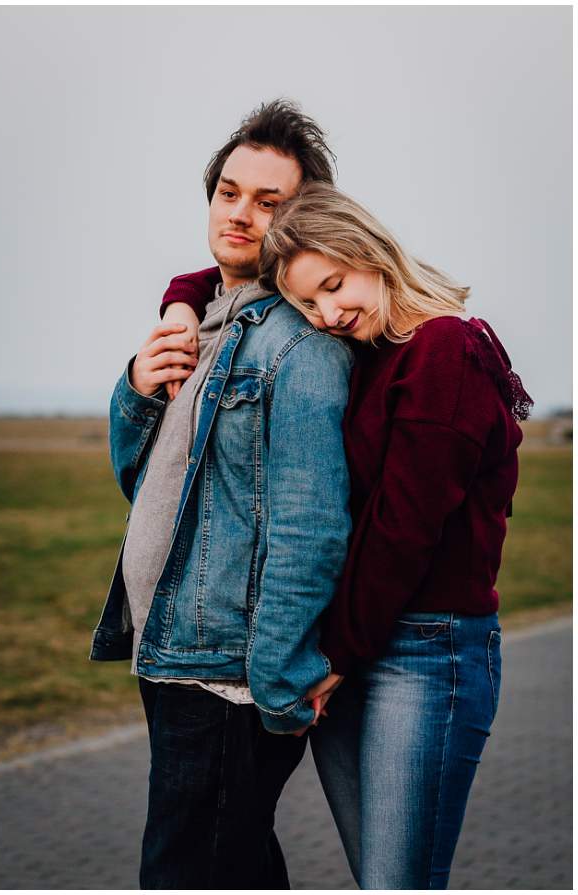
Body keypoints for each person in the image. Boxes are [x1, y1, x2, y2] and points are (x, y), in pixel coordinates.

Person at [90, 99, 351, 888]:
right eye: (230, 192)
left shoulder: (302, 346)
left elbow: (311, 528)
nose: (241, 213)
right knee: (230, 860)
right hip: (171, 652)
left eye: (269, 203)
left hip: (229, 672)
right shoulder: (200, 318)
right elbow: (143, 476)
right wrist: (135, 386)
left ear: (302, 220)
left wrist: (273, 681)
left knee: (185, 867)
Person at [254, 182, 523, 889]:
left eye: (335, 285)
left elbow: (405, 526)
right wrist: (182, 296)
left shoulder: (445, 349)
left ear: (368, 250)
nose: (328, 313)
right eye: (309, 304)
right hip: (359, 647)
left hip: (429, 653)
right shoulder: (377, 351)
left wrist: (337, 653)